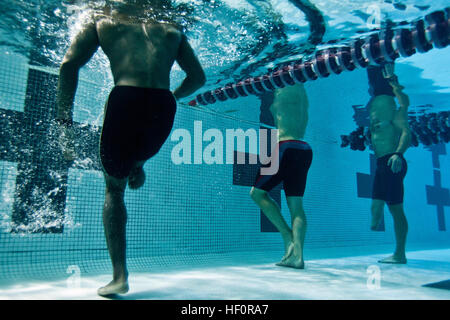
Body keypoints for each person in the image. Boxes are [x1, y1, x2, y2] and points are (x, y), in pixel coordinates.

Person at [56, 0, 206, 296]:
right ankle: (137, 164)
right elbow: (198, 78)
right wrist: (171, 97)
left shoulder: (102, 16)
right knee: (137, 152)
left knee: (114, 190)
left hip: (126, 99)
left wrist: (64, 120)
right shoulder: (171, 24)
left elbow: (68, 64)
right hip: (163, 105)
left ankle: (119, 276)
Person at [250, 83, 312, 269]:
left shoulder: (281, 87)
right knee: (296, 206)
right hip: (304, 149)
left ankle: (287, 237)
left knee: (257, 193)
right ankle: (298, 256)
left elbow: (269, 107)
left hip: (285, 147)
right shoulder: (302, 92)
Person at [367, 62, 411, 264]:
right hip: (381, 163)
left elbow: (406, 134)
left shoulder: (398, 112)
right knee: (376, 210)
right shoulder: (378, 109)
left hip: (393, 160)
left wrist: (398, 154)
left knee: (395, 209)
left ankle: (399, 254)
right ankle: (380, 62)